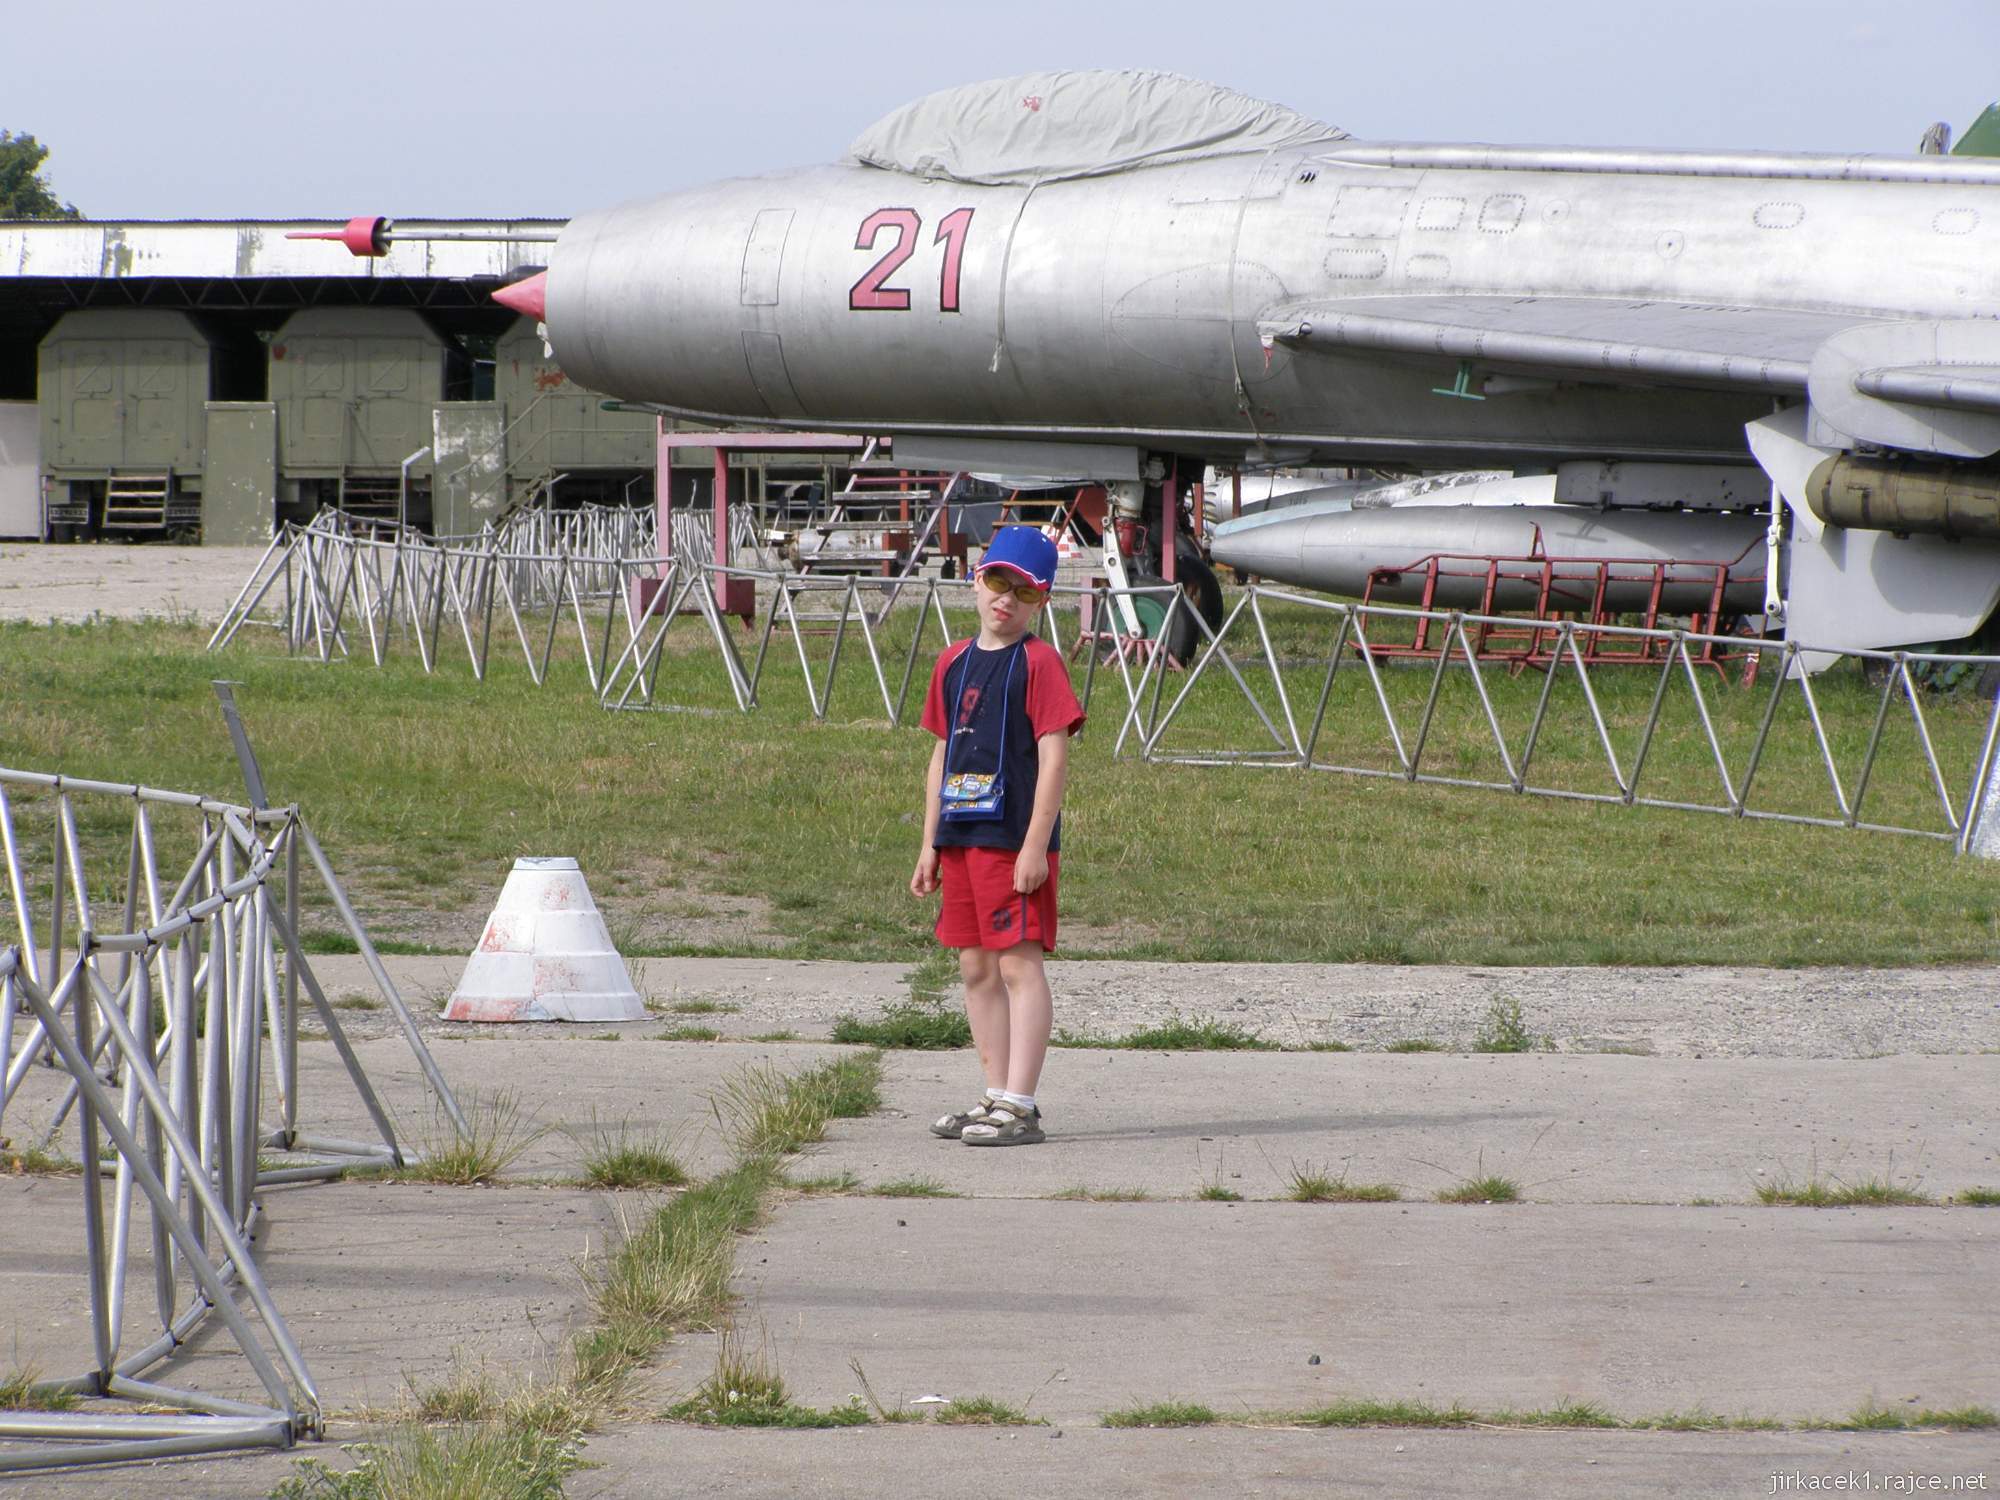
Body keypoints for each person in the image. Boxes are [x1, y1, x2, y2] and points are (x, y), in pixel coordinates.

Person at [910, 526, 1085, 1146]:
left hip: (1012, 843)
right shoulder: (953, 661)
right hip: (960, 838)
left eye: (1024, 589)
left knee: (1019, 965)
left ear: (1042, 601)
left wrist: (1036, 844)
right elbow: (941, 755)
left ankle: (1021, 1104)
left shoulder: (1039, 662)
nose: (1005, 598)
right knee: (976, 967)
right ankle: (992, 1095)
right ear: (975, 580)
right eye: (996, 581)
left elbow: (1055, 757)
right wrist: (931, 841)